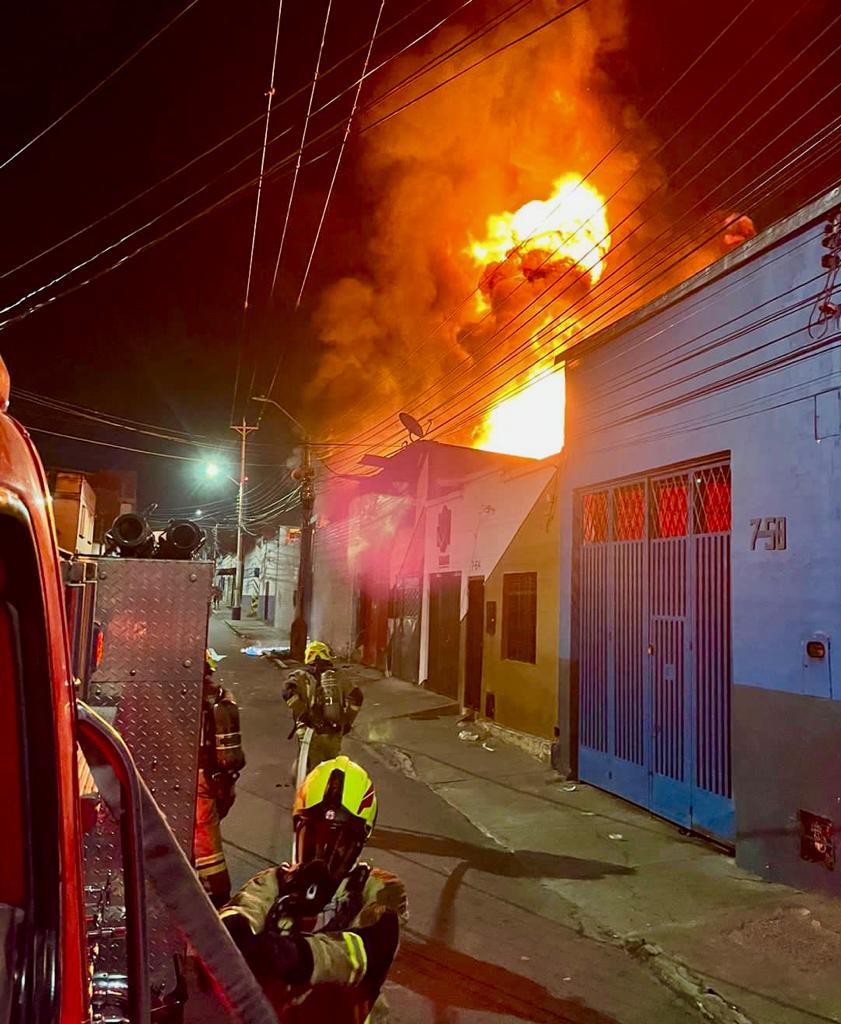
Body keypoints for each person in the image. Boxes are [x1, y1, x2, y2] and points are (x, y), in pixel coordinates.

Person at [221, 756, 406, 1023]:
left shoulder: (380, 889)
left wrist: (293, 954)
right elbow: (239, 911)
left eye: (339, 841)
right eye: (314, 837)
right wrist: (235, 931)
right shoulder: (274, 882)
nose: (324, 854)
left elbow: (369, 951)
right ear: (298, 830)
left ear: (359, 842)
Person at [193, 648, 245, 908]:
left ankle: (216, 901)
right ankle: (215, 898)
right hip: (209, 780)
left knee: (204, 848)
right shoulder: (219, 697)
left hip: (190, 778)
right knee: (205, 843)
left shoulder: (175, 694)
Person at [283, 640, 364, 787]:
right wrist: (347, 721)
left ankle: (307, 802)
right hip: (333, 733)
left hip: (309, 733)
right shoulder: (340, 677)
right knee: (332, 768)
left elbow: (287, 692)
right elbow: (357, 697)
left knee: (308, 773)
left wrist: (304, 714)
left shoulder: (300, 676)